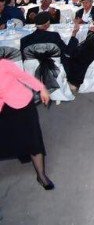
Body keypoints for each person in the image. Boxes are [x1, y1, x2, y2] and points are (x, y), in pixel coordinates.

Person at [0, 59, 54, 190]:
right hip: (3, 111)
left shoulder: (3, 64)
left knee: (33, 140)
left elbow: (23, 76)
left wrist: (42, 88)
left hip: (22, 104)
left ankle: (41, 176)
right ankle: (22, 151)